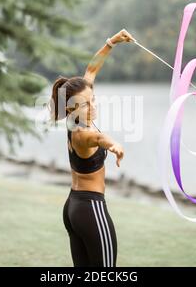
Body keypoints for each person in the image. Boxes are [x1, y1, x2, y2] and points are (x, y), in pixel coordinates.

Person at [49, 29, 135, 267]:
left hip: (74, 207)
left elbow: (92, 69)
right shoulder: (83, 133)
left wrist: (112, 41)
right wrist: (115, 145)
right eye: (85, 104)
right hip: (90, 208)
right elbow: (99, 139)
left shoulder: (74, 120)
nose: (92, 106)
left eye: (92, 100)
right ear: (69, 109)